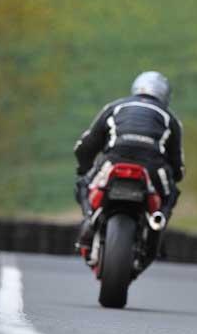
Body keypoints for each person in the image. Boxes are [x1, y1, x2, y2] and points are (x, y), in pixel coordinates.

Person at [73, 71, 184, 255]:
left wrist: (84, 167)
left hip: (116, 157)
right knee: (170, 194)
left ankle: (89, 219)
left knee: (84, 184)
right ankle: (158, 221)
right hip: (152, 164)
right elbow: (177, 162)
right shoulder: (169, 118)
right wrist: (175, 177)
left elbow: (87, 144)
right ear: (164, 95)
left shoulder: (115, 107)